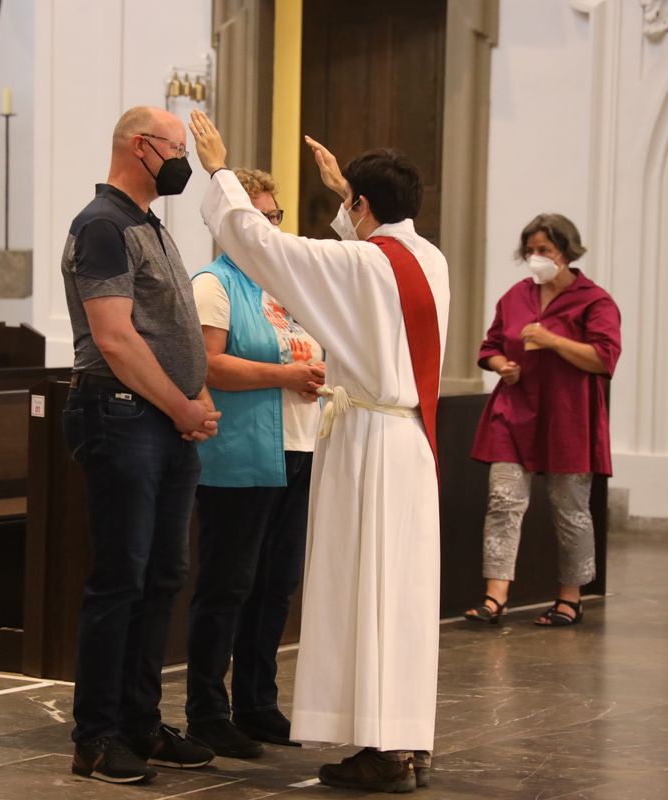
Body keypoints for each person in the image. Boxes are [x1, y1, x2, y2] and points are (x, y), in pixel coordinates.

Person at [188, 110, 449, 793]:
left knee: (365, 593)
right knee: (402, 600)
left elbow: (265, 247)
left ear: (363, 206)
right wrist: (347, 197)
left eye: (351, 206)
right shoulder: (429, 260)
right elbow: (351, 261)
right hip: (411, 441)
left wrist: (219, 170)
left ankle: (382, 751)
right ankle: (406, 741)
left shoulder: (363, 264)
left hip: (368, 446)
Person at [59, 105, 221, 785]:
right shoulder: (101, 225)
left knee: (161, 579)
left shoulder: (146, 223)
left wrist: (197, 393)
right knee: (120, 580)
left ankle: (140, 722)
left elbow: (168, 328)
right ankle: (96, 738)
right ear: (141, 146)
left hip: (160, 422)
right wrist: (180, 401)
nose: (182, 160)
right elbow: (115, 338)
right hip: (121, 416)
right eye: (177, 148)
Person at [185, 168, 326, 759]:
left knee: (276, 585)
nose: (270, 227)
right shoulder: (213, 285)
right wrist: (286, 375)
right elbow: (209, 366)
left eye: (275, 217)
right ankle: (207, 711)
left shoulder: (287, 289)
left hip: (299, 449)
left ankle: (257, 703)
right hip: (239, 455)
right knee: (228, 585)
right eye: (260, 217)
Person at [463, 214, 621, 628]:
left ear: (566, 252)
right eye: (530, 251)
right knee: (503, 501)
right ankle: (495, 595)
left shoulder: (595, 301)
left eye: (545, 251)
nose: (536, 258)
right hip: (514, 412)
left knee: (569, 508)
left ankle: (571, 597)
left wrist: (552, 341)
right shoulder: (516, 295)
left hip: (568, 416)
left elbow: (604, 358)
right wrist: (502, 366)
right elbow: (491, 344)